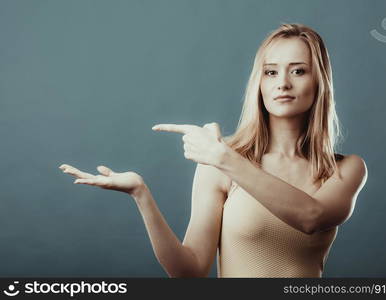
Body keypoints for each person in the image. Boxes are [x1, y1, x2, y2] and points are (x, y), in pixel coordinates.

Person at [59, 23, 367, 278]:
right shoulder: (220, 162)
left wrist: (223, 158)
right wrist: (140, 194)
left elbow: (311, 217)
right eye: (271, 72)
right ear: (258, 83)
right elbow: (189, 271)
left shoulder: (345, 169)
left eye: (298, 71)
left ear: (320, 82)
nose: (283, 83)